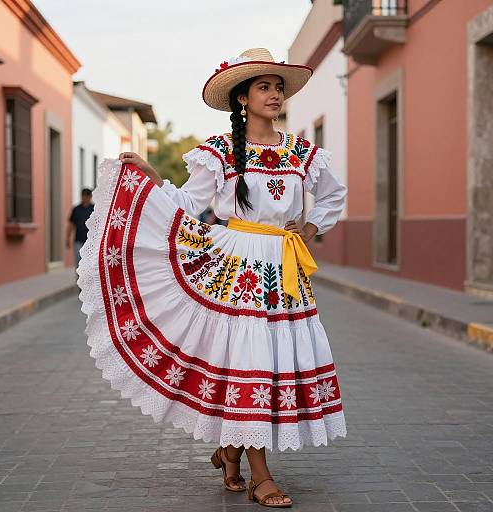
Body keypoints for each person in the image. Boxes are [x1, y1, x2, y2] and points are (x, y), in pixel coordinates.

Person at [77, 48, 348, 508]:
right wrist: (149, 178)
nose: (274, 94)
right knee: (252, 362)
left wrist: (310, 226)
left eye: (278, 86)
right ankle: (260, 474)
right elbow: (185, 205)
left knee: (274, 362)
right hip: (238, 267)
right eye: (264, 86)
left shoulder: (302, 152)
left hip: (285, 269)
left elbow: (333, 196)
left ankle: (230, 448)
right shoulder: (219, 153)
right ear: (242, 98)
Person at [66, 188, 94, 275]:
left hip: (91, 241)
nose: (85, 198)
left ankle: (89, 283)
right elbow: (71, 224)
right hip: (78, 240)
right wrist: (67, 238)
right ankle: (80, 285)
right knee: (79, 263)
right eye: (83, 196)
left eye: (87, 196)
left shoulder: (94, 209)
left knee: (90, 263)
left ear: (90, 197)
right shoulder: (76, 209)